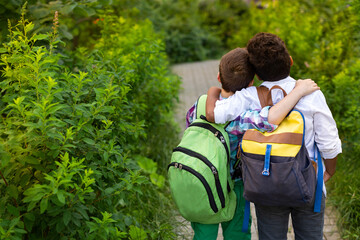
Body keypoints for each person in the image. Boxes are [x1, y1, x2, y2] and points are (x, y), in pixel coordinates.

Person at [205, 33, 342, 240]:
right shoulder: (311, 93)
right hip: (309, 180)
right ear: (290, 61)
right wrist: (329, 171)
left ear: (257, 75)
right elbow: (329, 144)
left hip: (265, 182)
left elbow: (216, 113)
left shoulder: (248, 96)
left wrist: (212, 91)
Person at [186, 47, 320, 240]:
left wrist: (212, 92)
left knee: (203, 233)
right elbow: (271, 120)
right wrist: (298, 91)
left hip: (201, 181)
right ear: (251, 83)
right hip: (235, 186)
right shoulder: (243, 117)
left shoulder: (198, 105)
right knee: (237, 234)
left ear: (218, 76)